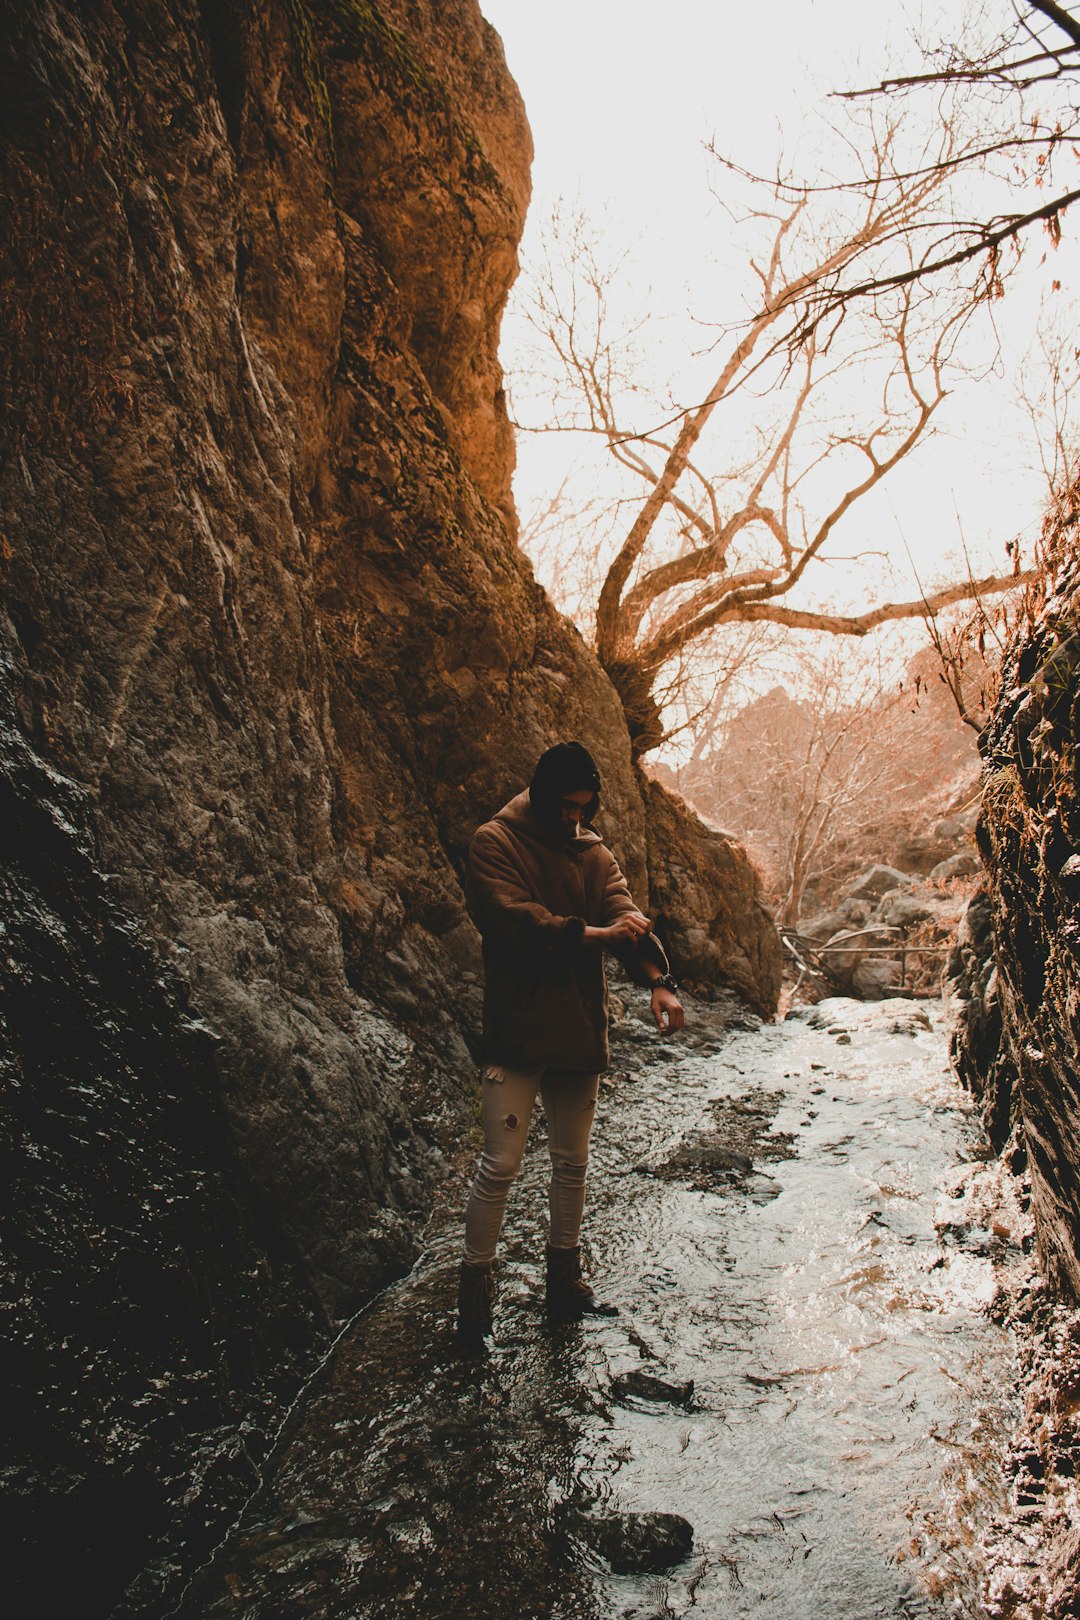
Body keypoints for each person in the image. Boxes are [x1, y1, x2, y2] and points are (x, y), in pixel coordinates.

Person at [457, 740, 684, 1351]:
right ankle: (475, 1304)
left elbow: (624, 915)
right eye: (566, 806)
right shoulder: (494, 841)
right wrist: (595, 933)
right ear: (541, 793)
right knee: (501, 1165)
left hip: (580, 1025)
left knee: (572, 1163)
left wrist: (658, 983)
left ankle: (565, 1283)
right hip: (518, 1024)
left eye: (584, 807)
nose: (574, 818)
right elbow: (514, 922)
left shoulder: (592, 850)